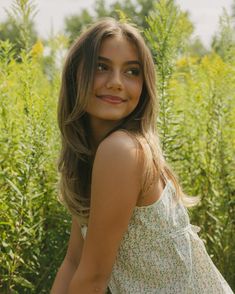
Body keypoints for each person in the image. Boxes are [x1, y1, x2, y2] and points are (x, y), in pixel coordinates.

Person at [51, 17, 233, 294]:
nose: (115, 82)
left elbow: (91, 281)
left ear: (144, 86)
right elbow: (74, 263)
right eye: (101, 67)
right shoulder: (95, 156)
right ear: (75, 75)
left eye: (132, 72)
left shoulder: (122, 150)